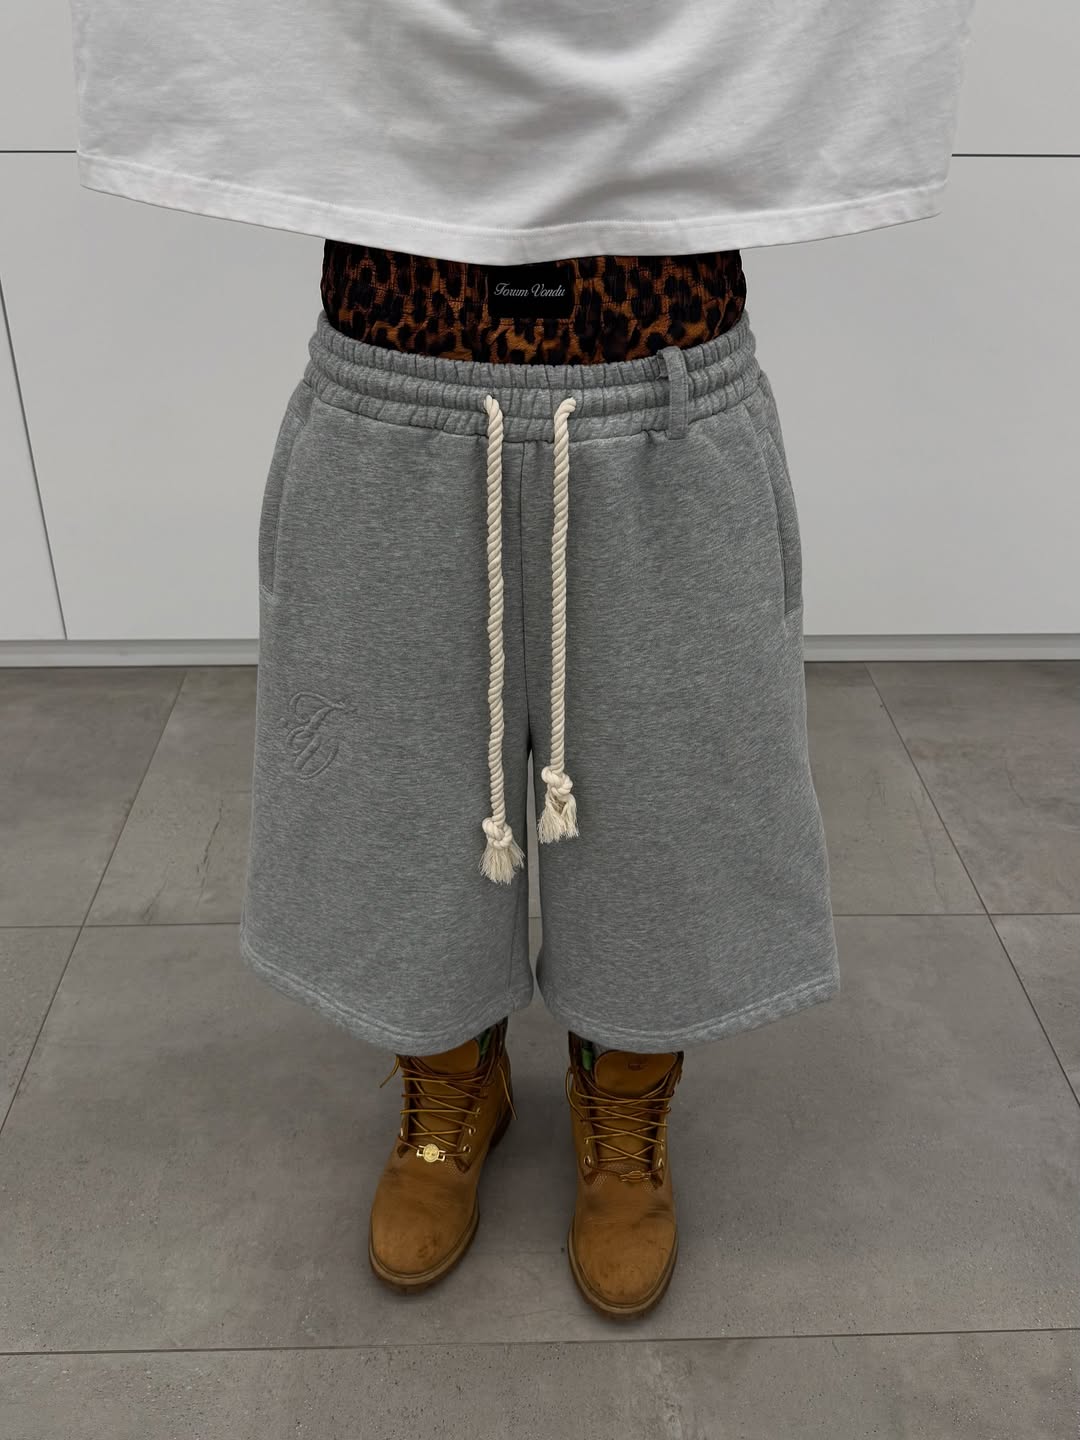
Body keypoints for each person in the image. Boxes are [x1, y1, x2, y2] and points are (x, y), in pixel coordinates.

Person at [67, 0, 977, 1319]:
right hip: (396, 360)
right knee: (392, 786)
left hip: (664, 366)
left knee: (672, 791)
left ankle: (626, 1095)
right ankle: (451, 1076)